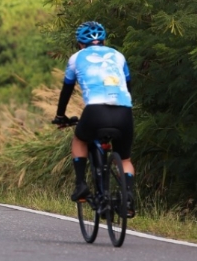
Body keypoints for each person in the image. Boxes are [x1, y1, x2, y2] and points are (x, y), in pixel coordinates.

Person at [53, 21, 136, 218]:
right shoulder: (118, 55)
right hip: (124, 111)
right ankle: (129, 197)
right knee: (124, 158)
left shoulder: (76, 58)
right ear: (104, 40)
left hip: (95, 111)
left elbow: (67, 90)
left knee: (80, 139)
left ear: (80, 43)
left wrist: (60, 116)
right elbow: (129, 86)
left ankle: (81, 184)